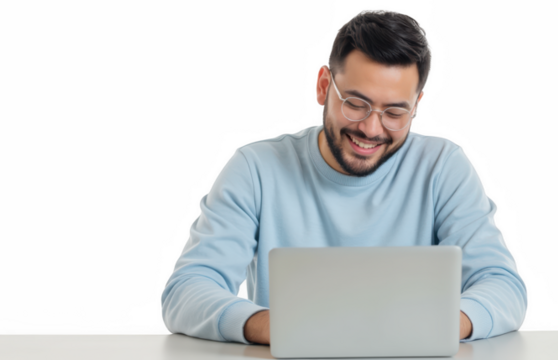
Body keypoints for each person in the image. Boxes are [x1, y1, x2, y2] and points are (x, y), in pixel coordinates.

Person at [159, 9, 528, 345]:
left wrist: (443, 325)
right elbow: (185, 292)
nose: (371, 128)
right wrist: (277, 326)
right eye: (356, 103)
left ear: (417, 105)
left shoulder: (443, 165)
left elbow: (505, 287)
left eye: (394, 112)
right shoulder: (256, 167)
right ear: (323, 85)